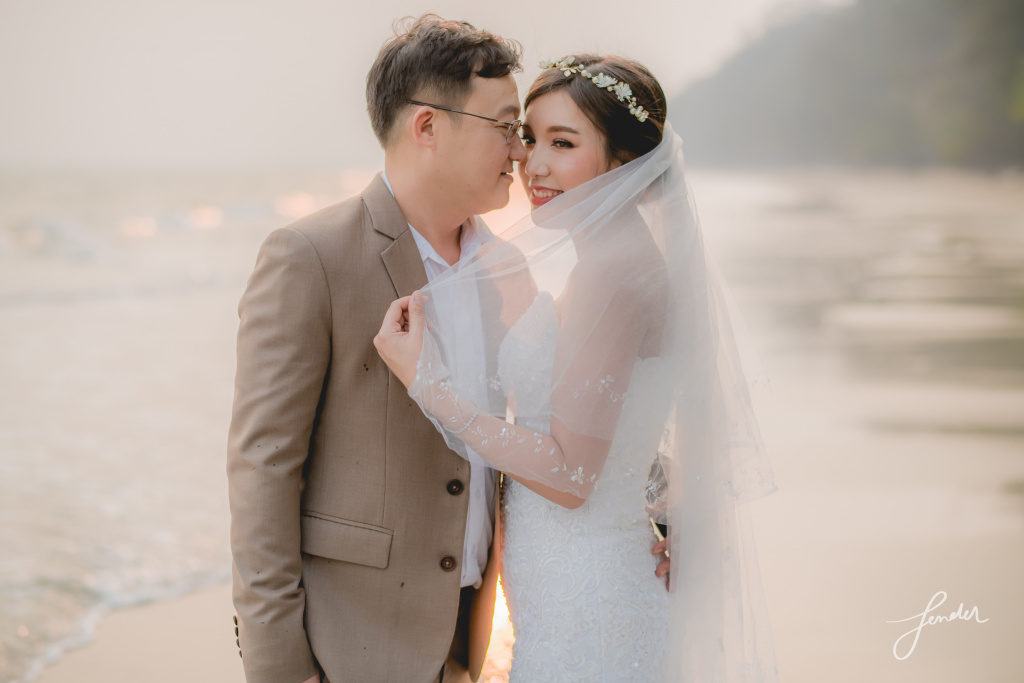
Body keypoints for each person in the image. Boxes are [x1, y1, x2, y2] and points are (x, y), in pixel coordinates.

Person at [375, 55, 779, 682]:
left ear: (625, 162)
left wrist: (427, 384)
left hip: (589, 604)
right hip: (579, 589)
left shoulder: (611, 273)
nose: (532, 163)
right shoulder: (618, 259)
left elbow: (571, 475)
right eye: (529, 137)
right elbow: (620, 426)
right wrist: (668, 497)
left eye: (562, 144)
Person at [227, 16, 525, 683]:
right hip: (350, 642)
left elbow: (551, 420)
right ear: (428, 127)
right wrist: (279, 667)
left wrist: (652, 518)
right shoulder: (311, 255)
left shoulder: (507, 268)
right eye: (505, 126)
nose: (520, 148)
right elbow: (263, 468)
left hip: (471, 634)